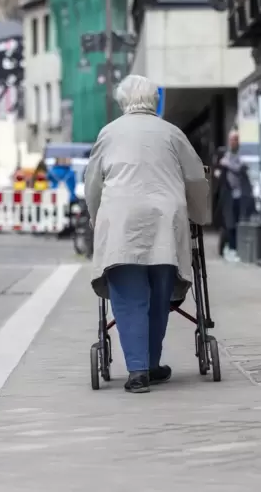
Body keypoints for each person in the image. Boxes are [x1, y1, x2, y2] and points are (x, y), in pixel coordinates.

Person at [85, 75, 210, 394]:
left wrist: (94, 216)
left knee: (129, 297)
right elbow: (196, 178)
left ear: (123, 101)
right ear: (154, 100)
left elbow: (93, 184)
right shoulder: (172, 132)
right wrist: (200, 214)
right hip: (164, 223)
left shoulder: (108, 133)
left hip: (121, 222)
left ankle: (138, 370)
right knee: (159, 296)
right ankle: (151, 364)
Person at [217, 130, 252, 262]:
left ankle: (235, 248)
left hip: (240, 196)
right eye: (232, 139)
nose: (234, 142)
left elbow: (242, 171)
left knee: (237, 222)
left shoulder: (241, 158)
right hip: (228, 196)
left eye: (236, 139)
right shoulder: (225, 158)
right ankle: (228, 248)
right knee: (228, 223)